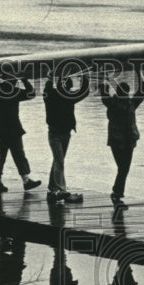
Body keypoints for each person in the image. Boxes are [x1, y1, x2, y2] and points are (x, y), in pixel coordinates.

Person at [0, 77, 41, 192]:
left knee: (1, 157)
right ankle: (25, 179)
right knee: (19, 155)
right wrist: (25, 81)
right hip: (14, 129)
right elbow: (31, 94)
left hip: (1, 130)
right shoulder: (15, 92)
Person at [100, 67, 144, 206]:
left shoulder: (113, 104)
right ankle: (116, 193)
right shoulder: (130, 104)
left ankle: (117, 193)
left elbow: (104, 92)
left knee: (123, 168)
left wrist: (104, 79)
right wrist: (139, 73)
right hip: (125, 142)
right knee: (123, 168)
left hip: (121, 142)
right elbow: (142, 90)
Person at [43, 73, 89, 204]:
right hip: (55, 134)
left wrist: (51, 79)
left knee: (58, 160)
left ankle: (52, 189)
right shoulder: (60, 96)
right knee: (59, 160)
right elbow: (84, 92)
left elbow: (83, 92)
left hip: (63, 133)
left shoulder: (57, 96)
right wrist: (84, 78)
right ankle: (60, 189)